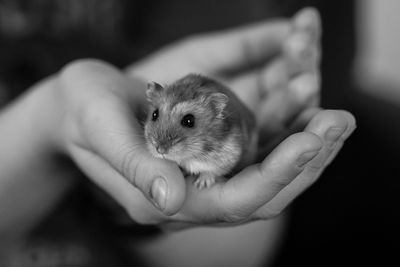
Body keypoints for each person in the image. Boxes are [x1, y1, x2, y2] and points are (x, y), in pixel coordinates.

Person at [0, 3, 355, 266]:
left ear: (216, 114)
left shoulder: (225, 136)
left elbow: (241, 249)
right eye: (155, 116)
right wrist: (50, 121)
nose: (160, 140)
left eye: (187, 122)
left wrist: (118, 197)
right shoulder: (150, 119)